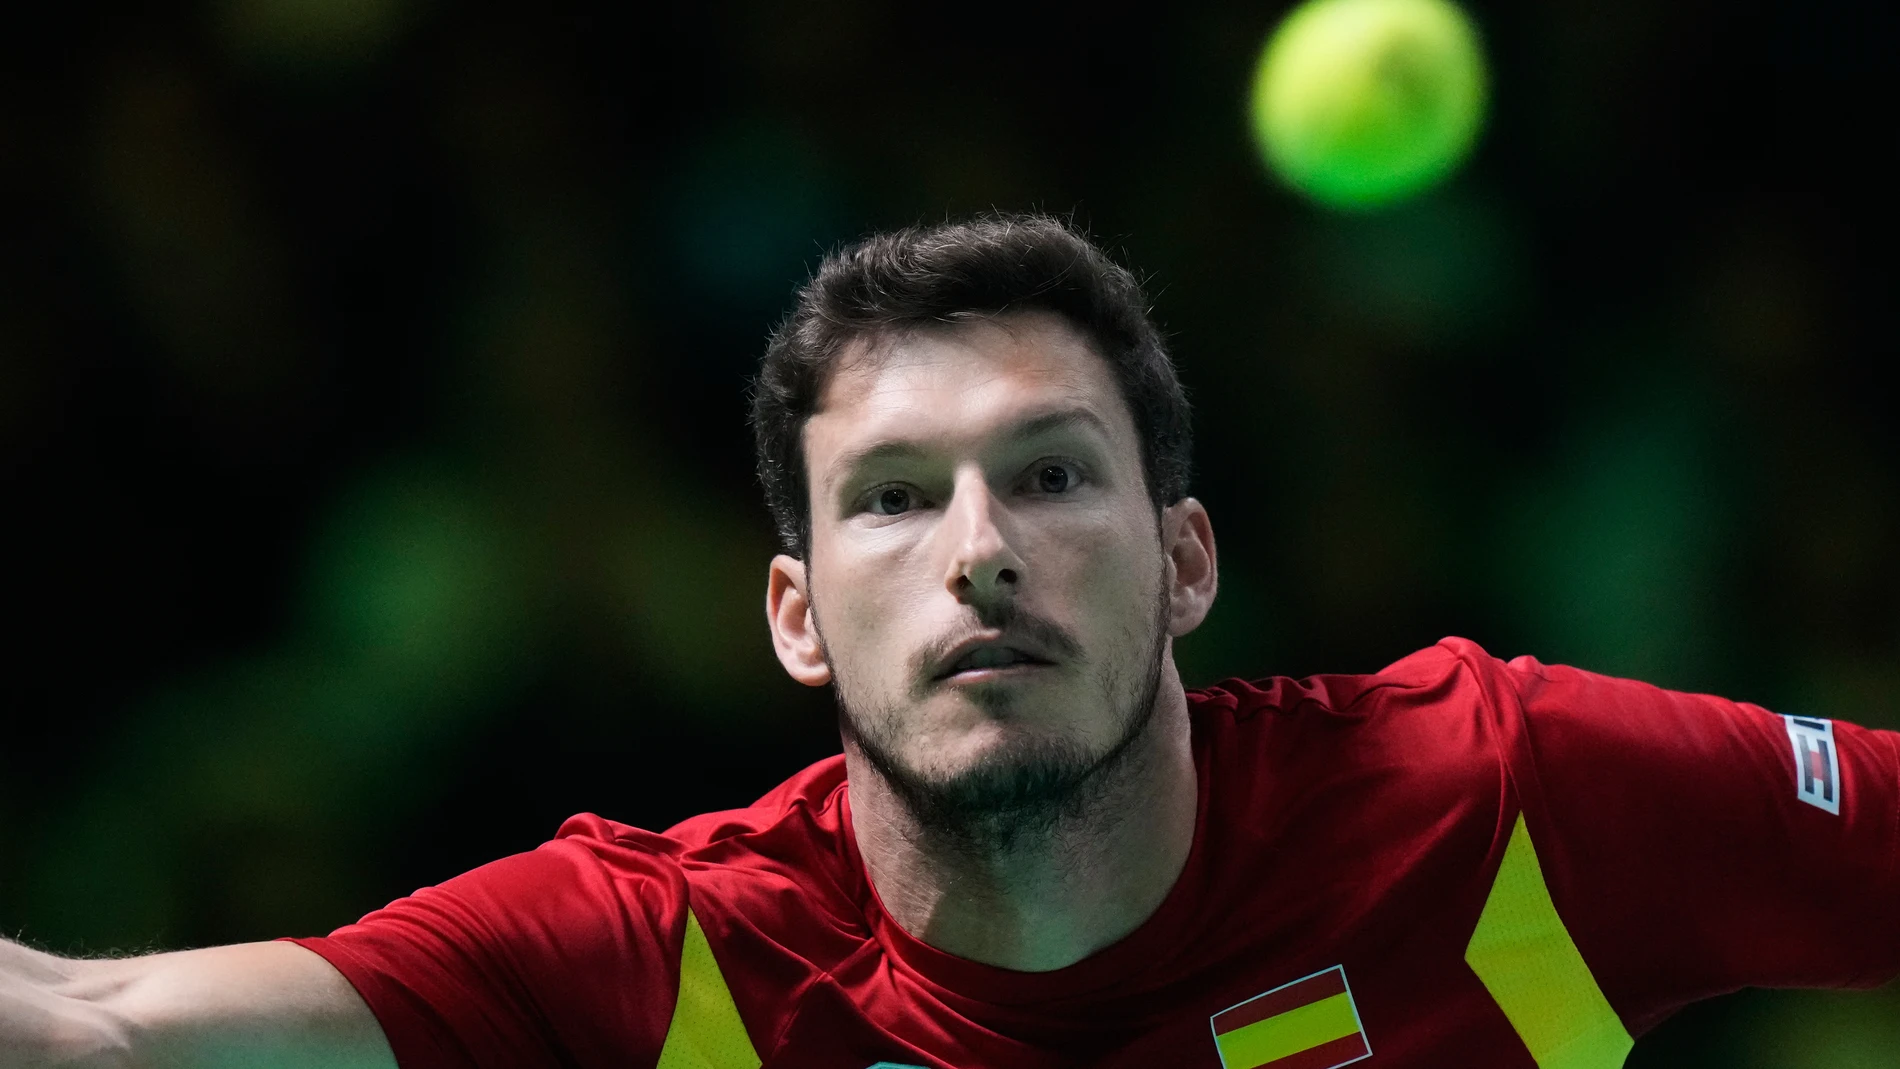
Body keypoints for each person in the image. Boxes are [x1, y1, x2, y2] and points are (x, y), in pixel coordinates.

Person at [3, 214, 1896, 1069]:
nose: (981, 552)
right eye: (895, 499)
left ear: (1186, 562)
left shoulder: (1501, 799)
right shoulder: (668, 967)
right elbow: (96, 1031)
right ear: (797, 617)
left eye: (1051, 476)